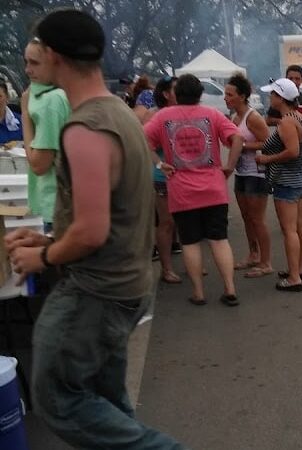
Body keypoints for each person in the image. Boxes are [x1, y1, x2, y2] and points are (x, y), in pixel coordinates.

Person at [5, 9, 186, 448]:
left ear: (53, 55)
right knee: (107, 401)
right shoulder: (117, 114)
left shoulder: (85, 127)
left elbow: (91, 230)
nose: (28, 73)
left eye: (32, 62)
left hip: (95, 291)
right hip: (122, 283)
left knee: (57, 400)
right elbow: (111, 215)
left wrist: (42, 256)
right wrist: (49, 239)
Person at [144, 74, 243, 307]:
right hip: (214, 188)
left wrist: (158, 163)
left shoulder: (163, 117)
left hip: (181, 191)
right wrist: (230, 166)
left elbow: (141, 137)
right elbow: (237, 138)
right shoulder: (212, 114)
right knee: (219, 240)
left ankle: (198, 292)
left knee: (190, 243)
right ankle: (230, 288)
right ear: (201, 94)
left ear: (177, 94)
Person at [256, 78, 302, 291]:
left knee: (289, 230)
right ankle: (298, 268)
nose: (269, 97)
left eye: (272, 94)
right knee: (299, 225)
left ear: (281, 98)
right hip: (300, 178)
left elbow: (293, 152)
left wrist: (266, 159)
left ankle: (294, 278)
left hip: (288, 181)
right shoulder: (299, 116)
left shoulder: (287, 121)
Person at [224, 72, 273, 278]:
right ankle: (253, 254)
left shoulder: (253, 117)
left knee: (257, 219)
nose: (226, 98)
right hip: (242, 172)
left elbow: (268, 143)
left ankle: (266, 262)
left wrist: (243, 146)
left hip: (257, 173)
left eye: (230, 94)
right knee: (246, 217)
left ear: (242, 96)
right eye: (225, 94)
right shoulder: (234, 117)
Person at [21, 38, 71, 233]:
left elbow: (38, 165)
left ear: (54, 61)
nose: (27, 69)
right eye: (26, 62)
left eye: (35, 63)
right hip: (60, 203)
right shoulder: (55, 95)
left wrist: (25, 115)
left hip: (57, 205)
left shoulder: (51, 101)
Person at [146, 75, 182, 284]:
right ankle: (167, 269)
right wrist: (159, 164)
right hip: (163, 177)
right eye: (177, 89)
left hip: (185, 176)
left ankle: (192, 261)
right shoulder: (155, 115)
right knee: (167, 222)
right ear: (166, 94)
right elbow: (144, 141)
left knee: (185, 221)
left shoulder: (185, 112)